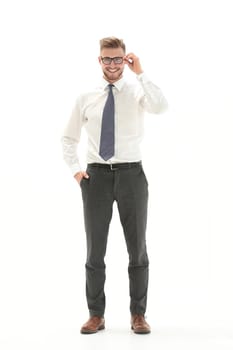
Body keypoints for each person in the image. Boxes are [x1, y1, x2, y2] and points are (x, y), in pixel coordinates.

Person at [61, 36, 168, 334]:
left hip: (132, 175)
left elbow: (161, 107)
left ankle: (138, 315)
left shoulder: (137, 92)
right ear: (99, 60)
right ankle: (96, 315)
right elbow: (68, 139)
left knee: (138, 249)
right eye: (107, 59)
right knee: (95, 250)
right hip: (96, 177)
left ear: (125, 59)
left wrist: (141, 72)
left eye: (117, 58)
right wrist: (78, 173)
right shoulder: (86, 96)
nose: (112, 64)